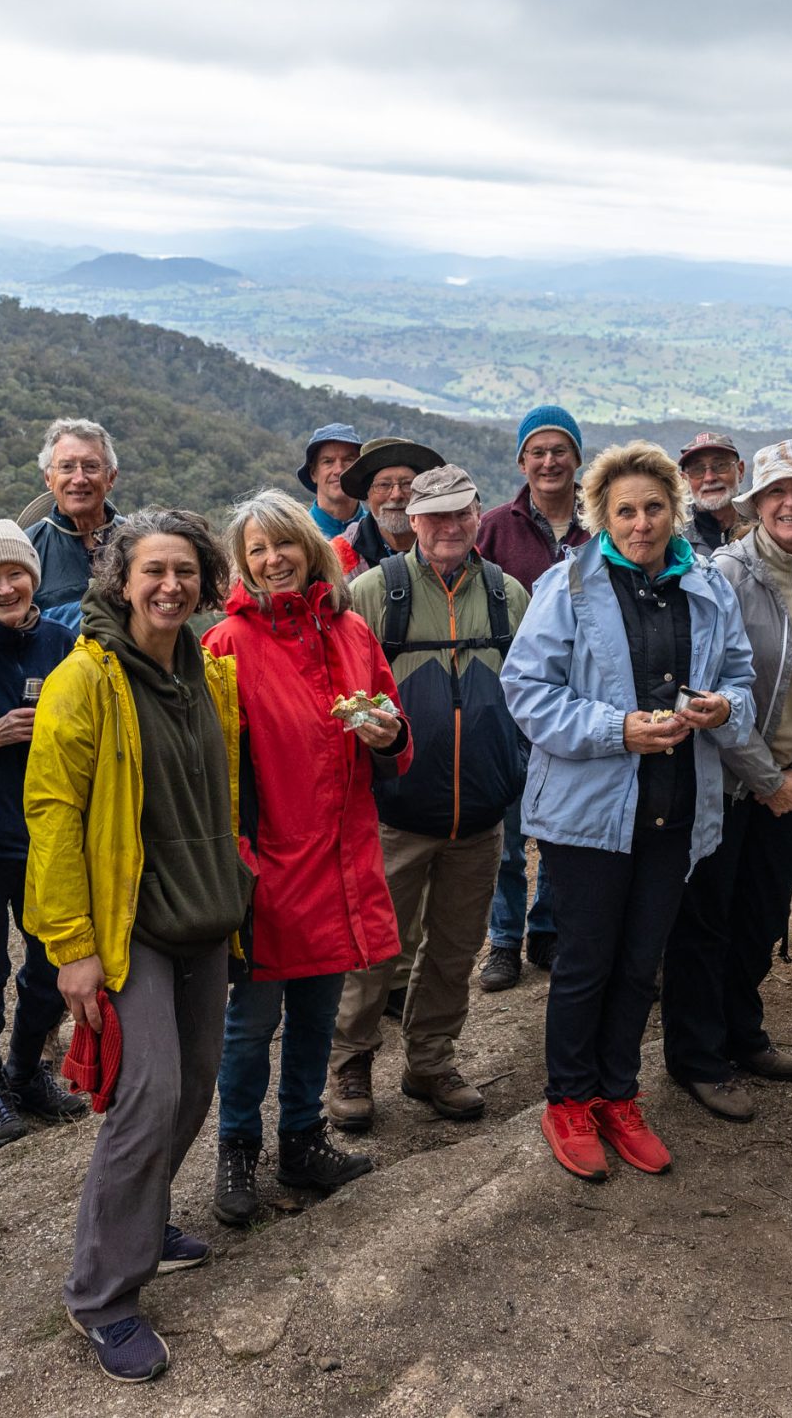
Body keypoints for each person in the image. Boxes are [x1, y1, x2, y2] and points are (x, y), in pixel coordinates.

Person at [25, 509, 248, 1384]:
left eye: (186, 571)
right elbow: (51, 813)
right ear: (122, 578)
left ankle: (145, 1216)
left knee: (196, 1081)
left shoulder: (205, 673)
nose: (170, 586)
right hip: (129, 925)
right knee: (149, 1092)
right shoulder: (88, 679)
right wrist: (70, 946)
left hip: (204, 914)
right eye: (154, 570)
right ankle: (103, 1295)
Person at [501, 441, 756, 1182]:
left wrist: (723, 707)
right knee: (586, 963)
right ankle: (568, 1099)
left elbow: (740, 676)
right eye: (624, 511)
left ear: (673, 509)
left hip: (675, 809)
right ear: (600, 517)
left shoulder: (706, 585)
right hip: (590, 815)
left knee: (641, 963)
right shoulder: (569, 585)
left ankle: (618, 1093)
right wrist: (617, 729)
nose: (640, 523)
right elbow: (528, 690)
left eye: (652, 508)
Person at [201, 493, 408, 1227]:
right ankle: (236, 1148)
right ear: (241, 563)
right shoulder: (224, 643)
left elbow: (389, 718)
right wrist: (234, 863)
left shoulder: (351, 631)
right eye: (256, 550)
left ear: (309, 548)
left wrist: (389, 734)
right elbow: (211, 769)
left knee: (319, 1016)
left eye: (282, 544)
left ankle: (301, 1140)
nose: (272, 559)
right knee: (251, 1022)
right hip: (266, 867)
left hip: (340, 859)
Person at [326, 464, 531, 1132]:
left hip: (479, 816)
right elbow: (335, 694)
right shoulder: (374, 592)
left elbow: (533, 693)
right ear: (412, 520)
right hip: (392, 814)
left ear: (478, 515)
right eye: (434, 514)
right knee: (374, 948)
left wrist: (514, 772)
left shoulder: (508, 595)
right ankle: (351, 1061)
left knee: (454, 946)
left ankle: (431, 1059)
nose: (448, 527)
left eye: (461, 513)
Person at [667, 441, 792, 1121]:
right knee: (706, 918)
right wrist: (763, 775)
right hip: (723, 778)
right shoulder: (722, 572)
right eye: (777, 491)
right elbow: (708, 689)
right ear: (756, 503)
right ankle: (696, 1054)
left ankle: (740, 1030)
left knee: (761, 915)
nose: (790, 502)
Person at [0, 514, 93, 1144]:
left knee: (47, 963)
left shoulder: (59, 646)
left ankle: (25, 1070)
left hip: (48, 836)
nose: (6, 588)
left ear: (33, 578)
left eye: (16, 574)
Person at [479, 404, 589, 990]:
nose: (549, 461)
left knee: (561, 823)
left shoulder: (600, 529)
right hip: (507, 701)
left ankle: (547, 927)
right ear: (522, 461)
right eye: (537, 452)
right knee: (507, 833)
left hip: (577, 701)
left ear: (577, 458)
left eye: (559, 450)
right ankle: (503, 940)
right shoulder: (495, 528)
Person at [28, 418, 123, 611]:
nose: (79, 479)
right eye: (66, 467)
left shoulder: (137, 542)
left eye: (91, 466)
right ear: (48, 478)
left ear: (111, 477)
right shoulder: (27, 549)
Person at [330, 436, 444, 575]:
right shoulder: (341, 556)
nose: (396, 495)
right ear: (367, 495)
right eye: (383, 485)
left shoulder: (446, 543)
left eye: (408, 484)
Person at [679, 432, 747, 555]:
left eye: (720, 465)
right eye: (697, 469)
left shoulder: (766, 528)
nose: (709, 478)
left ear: (740, 471)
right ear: (684, 480)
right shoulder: (674, 540)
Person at [301, 424, 366, 541]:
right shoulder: (298, 534)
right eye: (328, 461)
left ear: (361, 471)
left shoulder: (382, 532)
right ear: (313, 473)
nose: (339, 470)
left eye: (348, 460)